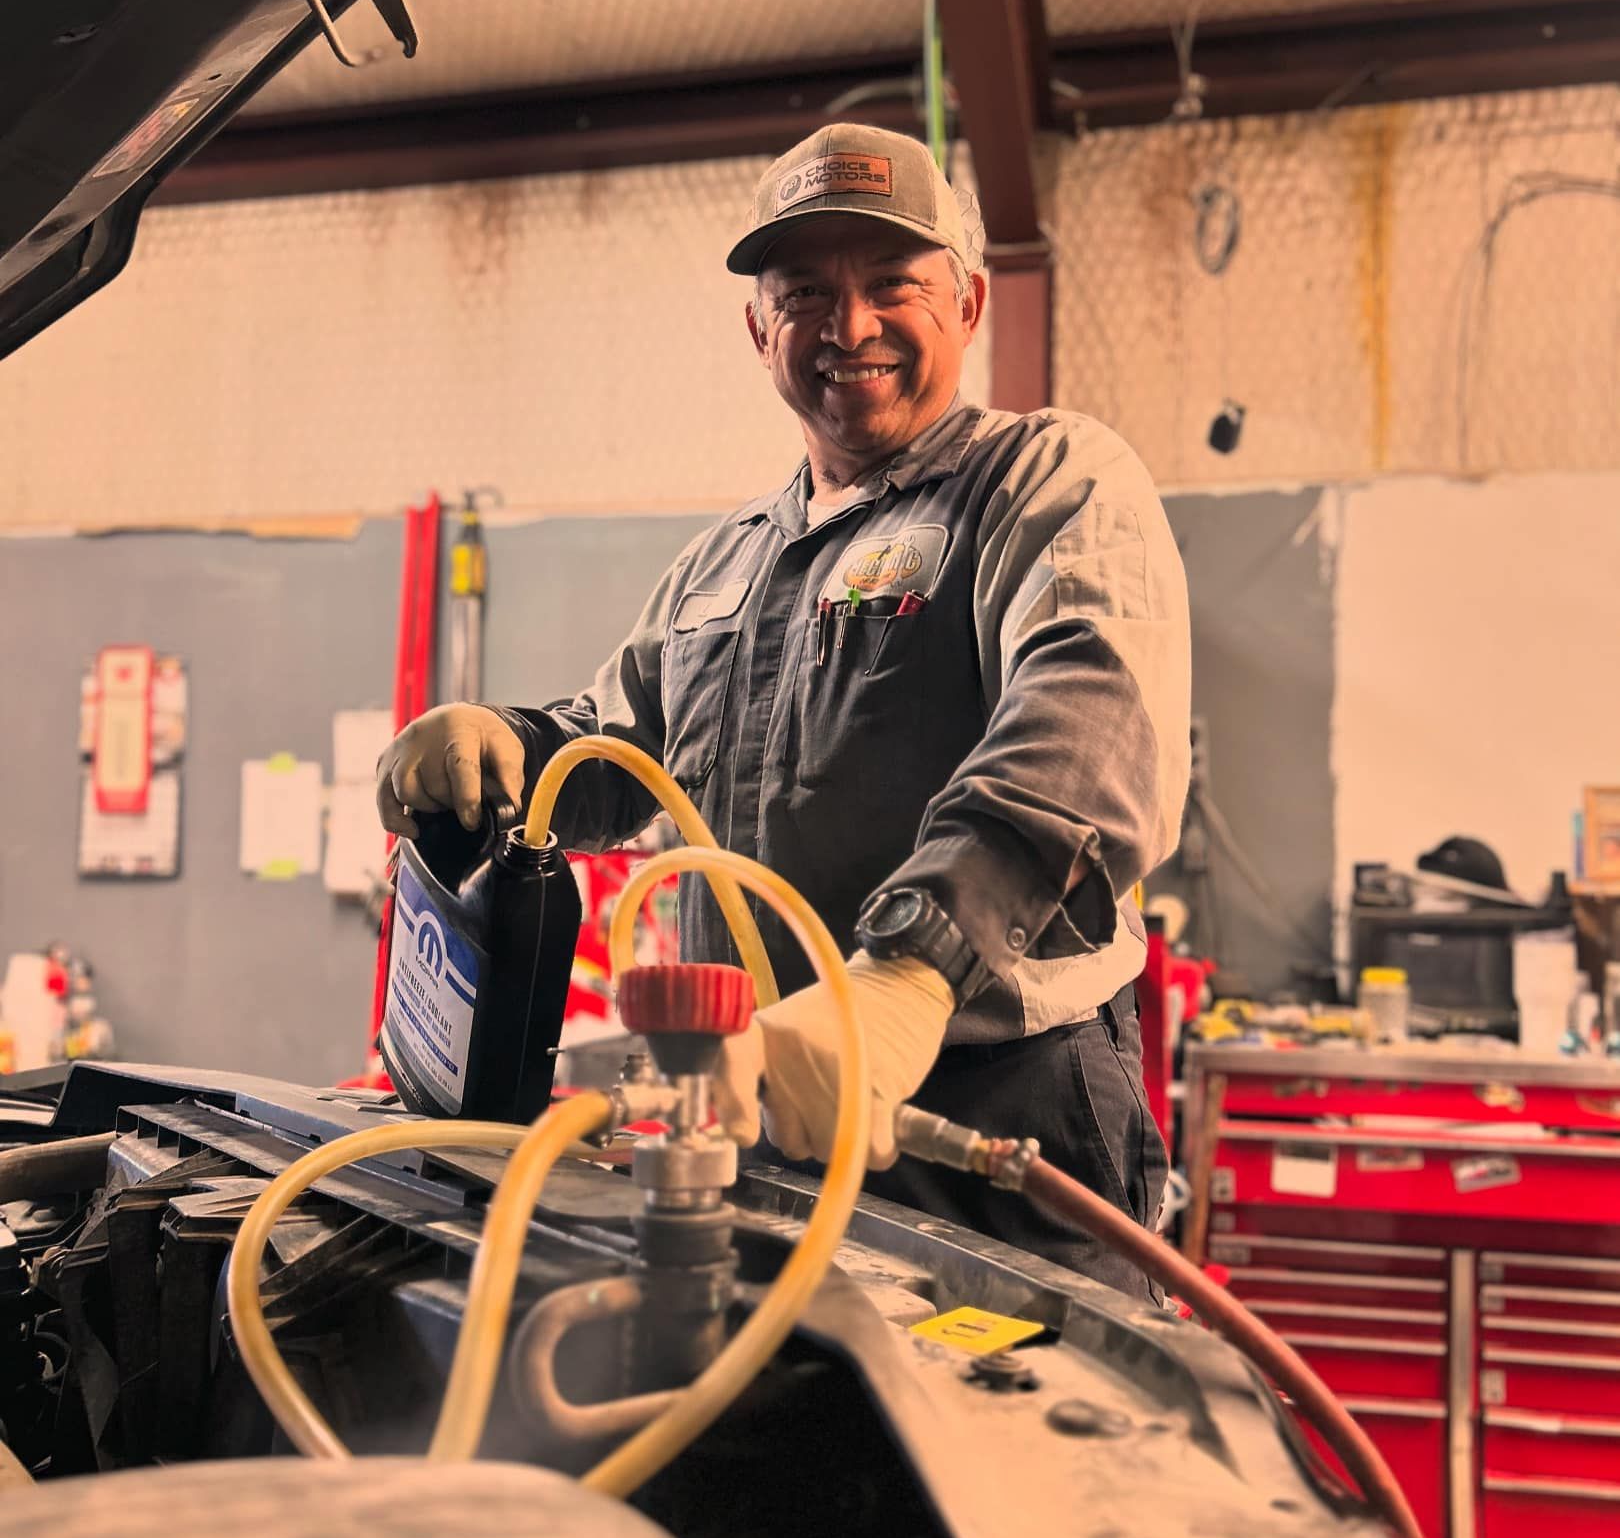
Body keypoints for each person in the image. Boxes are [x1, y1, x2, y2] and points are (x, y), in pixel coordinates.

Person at [376, 124, 1191, 1295]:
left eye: (893, 283)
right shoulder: (725, 563)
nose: (850, 326)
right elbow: (622, 748)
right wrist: (512, 743)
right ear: (760, 331)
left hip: (987, 1122)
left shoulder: (1045, 483)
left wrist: (910, 976)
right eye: (806, 293)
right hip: (757, 1113)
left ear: (966, 305)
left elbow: (1085, 737)